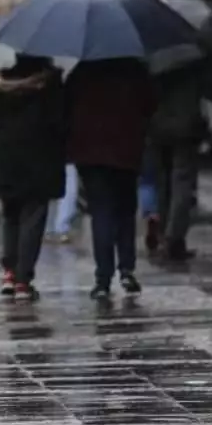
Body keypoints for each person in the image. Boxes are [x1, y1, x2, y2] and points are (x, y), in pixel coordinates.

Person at [66, 58, 156, 301]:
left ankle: (103, 279)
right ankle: (126, 268)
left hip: (90, 152)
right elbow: (149, 105)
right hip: (126, 149)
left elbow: (67, 105)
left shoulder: (83, 70)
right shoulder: (135, 69)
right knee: (126, 209)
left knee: (101, 212)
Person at [0, 55, 67, 301]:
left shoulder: (0, 84)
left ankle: (9, 273)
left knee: (10, 216)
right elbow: (60, 122)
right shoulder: (50, 86)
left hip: (7, 159)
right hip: (39, 160)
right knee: (33, 218)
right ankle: (23, 279)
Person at [145, 53, 209, 261]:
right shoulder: (194, 59)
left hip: (158, 128)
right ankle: (173, 238)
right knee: (182, 182)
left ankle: (167, 235)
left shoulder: (151, 60)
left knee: (164, 182)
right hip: (185, 128)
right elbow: (208, 89)